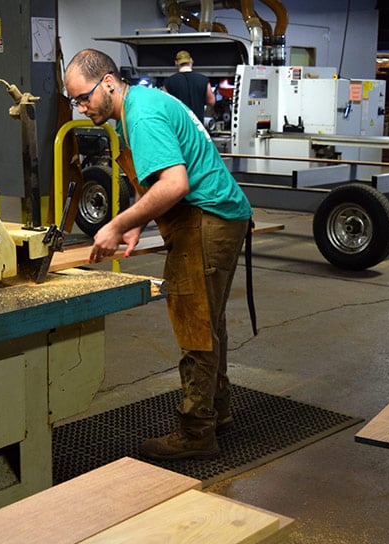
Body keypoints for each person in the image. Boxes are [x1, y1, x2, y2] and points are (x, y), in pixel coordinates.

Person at [64, 48, 252, 461]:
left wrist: (113, 224)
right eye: (74, 101)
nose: (81, 108)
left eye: (84, 97)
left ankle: (196, 432)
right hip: (220, 215)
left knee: (194, 324)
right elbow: (161, 184)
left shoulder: (142, 116)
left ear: (109, 82)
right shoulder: (145, 103)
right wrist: (137, 222)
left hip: (208, 219)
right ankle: (217, 412)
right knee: (209, 321)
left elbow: (174, 184)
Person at [162, 50, 216, 123]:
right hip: (197, 126)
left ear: (176, 63)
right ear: (191, 61)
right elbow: (211, 101)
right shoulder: (203, 80)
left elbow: (163, 104)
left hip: (178, 126)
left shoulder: (168, 82)